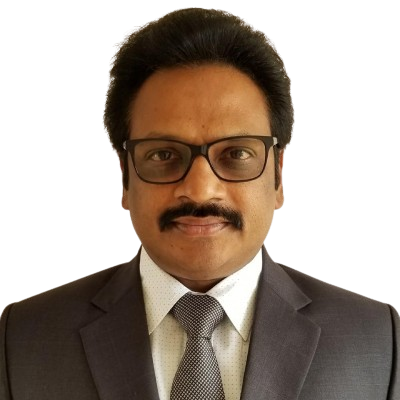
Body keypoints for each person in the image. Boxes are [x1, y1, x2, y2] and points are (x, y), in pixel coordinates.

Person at [1, 7, 398, 400]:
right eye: (164, 155)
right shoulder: (22, 337)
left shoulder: (377, 337)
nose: (201, 190)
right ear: (124, 176)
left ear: (278, 175)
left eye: (236, 154)